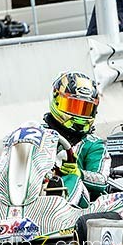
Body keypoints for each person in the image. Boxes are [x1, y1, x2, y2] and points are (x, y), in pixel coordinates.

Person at [44, 71, 109, 209]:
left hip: (79, 207)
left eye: (85, 109)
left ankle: (60, 216)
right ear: (56, 100)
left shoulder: (93, 144)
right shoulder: (40, 135)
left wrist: (79, 173)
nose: (79, 115)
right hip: (38, 190)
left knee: (70, 179)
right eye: (73, 106)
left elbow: (102, 180)